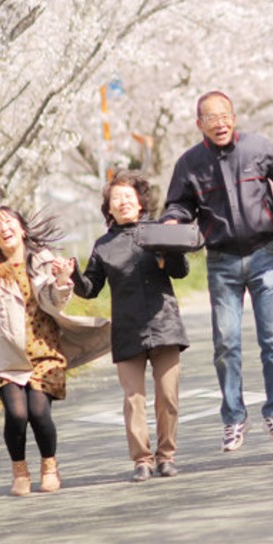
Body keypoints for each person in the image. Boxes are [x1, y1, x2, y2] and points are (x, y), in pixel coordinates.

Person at [162, 90, 273, 452]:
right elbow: (178, 204)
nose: (220, 123)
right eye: (211, 118)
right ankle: (233, 419)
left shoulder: (257, 147)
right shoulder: (190, 163)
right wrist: (173, 219)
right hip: (221, 261)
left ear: (234, 117)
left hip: (264, 255)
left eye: (225, 116)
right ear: (199, 124)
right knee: (226, 344)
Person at [0, 207, 110, 496]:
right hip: (7, 357)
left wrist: (63, 280)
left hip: (45, 352)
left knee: (38, 413)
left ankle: (49, 467)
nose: (4, 229)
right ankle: (20, 470)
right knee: (16, 413)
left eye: (9, 222)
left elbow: (57, 301)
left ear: (22, 229)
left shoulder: (42, 259)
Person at [72, 170, 190, 482]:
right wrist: (71, 273)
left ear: (140, 202)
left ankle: (166, 456)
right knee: (133, 399)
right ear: (108, 209)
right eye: (116, 199)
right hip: (127, 329)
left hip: (164, 324)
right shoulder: (103, 245)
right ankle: (142, 460)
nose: (123, 203)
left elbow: (181, 271)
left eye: (128, 197)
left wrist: (168, 252)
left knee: (168, 396)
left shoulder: (159, 230)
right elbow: (89, 288)